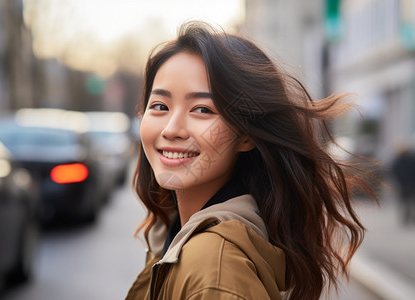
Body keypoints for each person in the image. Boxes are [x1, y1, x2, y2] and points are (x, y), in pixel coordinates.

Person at [126, 21, 376, 300]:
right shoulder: (180, 235)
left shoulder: (214, 269)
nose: (171, 129)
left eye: (202, 109)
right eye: (160, 106)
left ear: (245, 135)